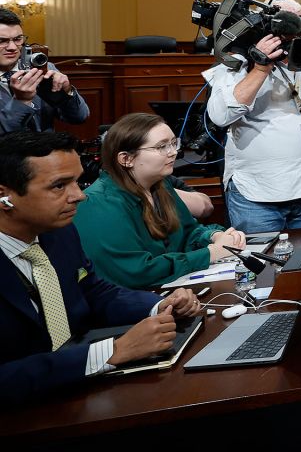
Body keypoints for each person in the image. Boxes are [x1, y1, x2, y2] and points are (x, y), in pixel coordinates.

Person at [0, 131, 201, 404]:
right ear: (4, 196)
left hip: (81, 394)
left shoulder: (58, 232)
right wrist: (111, 352)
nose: (79, 196)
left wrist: (159, 306)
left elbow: (93, 291)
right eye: (59, 186)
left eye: (78, 182)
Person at [204, 0, 301, 233]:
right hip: (258, 194)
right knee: (260, 266)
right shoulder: (238, 60)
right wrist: (260, 66)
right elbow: (220, 115)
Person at [74, 113, 247, 289]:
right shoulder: (98, 204)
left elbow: (188, 234)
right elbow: (138, 273)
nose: (173, 152)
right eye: (162, 146)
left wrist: (213, 236)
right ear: (126, 159)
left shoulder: (160, 184)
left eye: (174, 143)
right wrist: (211, 253)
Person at [0, 9, 89, 134]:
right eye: (2, 41)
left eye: (18, 39)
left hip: (47, 151)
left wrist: (67, 92)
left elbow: (79, 117)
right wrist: (21, 101)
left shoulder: (43, 69)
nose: (12, 47)